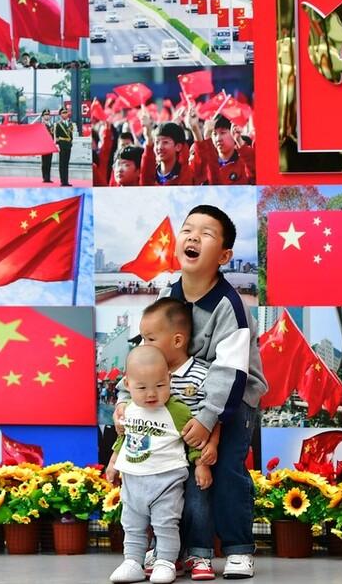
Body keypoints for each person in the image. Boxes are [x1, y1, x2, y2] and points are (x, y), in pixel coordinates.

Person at [118, 205, 267, 580]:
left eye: (206, 233)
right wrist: (124, 398)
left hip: (230, 400)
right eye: (187, 230)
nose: (193, 237)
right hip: (179, 394)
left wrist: (208, 418)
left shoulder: (230, 305)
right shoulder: (168, 294)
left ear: (224, 256)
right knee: (173, 472)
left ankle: (238, 549)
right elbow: (146, 351)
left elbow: (231, 371)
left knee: (226, 469)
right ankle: (174, 550)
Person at [107, 346, 196, 584]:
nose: (151, 394)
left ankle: (165, 562)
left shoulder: (177, 410)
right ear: (127, 384)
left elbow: (194, 439)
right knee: (132, 524)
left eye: (159, 385)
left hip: (166, 480)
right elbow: (123, 438)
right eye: (142, 388)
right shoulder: (128, 409)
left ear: (169, 378)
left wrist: (202, 465)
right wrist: (113, 461)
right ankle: (132, 562)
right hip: (133, 480)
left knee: (165, 524)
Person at [54, 106, 75, 186]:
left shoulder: (70, 124)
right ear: (60, 115)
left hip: (68, 145)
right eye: (63, 113)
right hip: (62, 145)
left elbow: (71, 135)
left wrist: (71, 142)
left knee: (66, 164)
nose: (65, 114)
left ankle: (66, 181)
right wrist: (58, 145)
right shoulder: (58, 124)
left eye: (66, 112)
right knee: (62, 164)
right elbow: (57, 136)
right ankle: (63, 181)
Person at [39, 109, 54, 183]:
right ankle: (45, 177)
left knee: (49, 162)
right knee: (44, 162)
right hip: (44, 145)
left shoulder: (52, 125)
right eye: (45, 114)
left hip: (50, 145)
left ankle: (48, 177)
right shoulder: (41, 125)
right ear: (43, 116)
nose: (47, 116)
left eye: (48, 114)